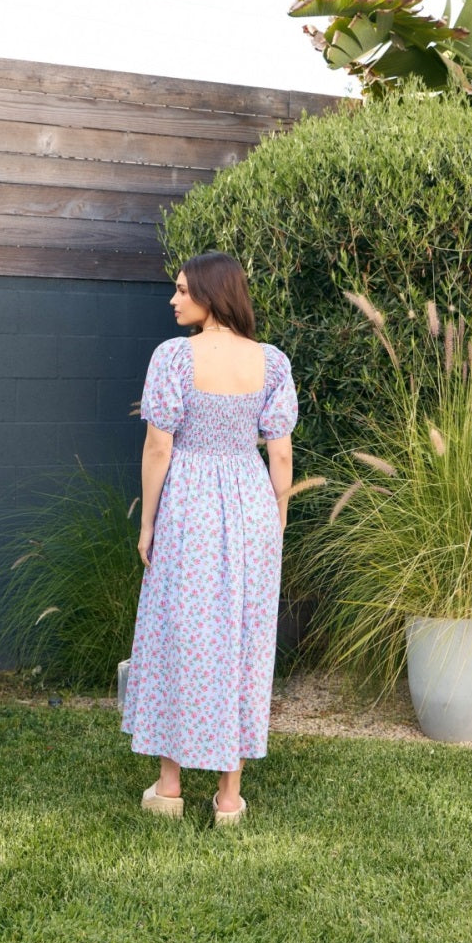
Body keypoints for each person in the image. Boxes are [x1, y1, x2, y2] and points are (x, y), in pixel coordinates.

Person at [121, 251, 297, 825]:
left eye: (180, 290)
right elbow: (281, 452)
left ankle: (169, 786)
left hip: (191, 504)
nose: (172, 299)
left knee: (181, 631)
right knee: (242, 638)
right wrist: (277, 522)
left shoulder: (173, 357)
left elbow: (158, 447)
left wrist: (147, 523)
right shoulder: (271, 363)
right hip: (248, 503)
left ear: (210, 294)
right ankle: (228, 798)